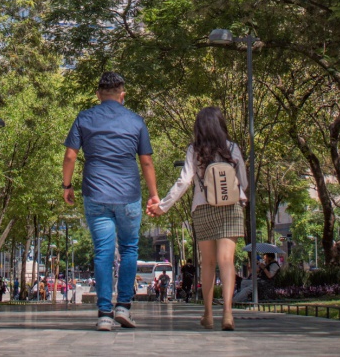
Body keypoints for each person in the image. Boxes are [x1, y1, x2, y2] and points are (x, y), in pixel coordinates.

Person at [62, 71, 159, 331]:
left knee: (103, 252)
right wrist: (154, 195)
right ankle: (124, 307)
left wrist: (67, 186)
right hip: (128, 195)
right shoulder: (136, 121)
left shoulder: (84, 117)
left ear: (98, 94)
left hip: (95, 193)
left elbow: (70, 156)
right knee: (129, 249)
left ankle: (104, 313)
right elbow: (146, 161)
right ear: (122, 95)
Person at [148, 106, 247, 331]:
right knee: (227, 261)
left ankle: (209, 314)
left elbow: (184, 182)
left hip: (203, 209)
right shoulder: (232, 148)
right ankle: (228, 314)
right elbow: (244, 181)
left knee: (209, 262)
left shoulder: (195, 150)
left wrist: (162, 207)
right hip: (231, 208)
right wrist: (241, 200)